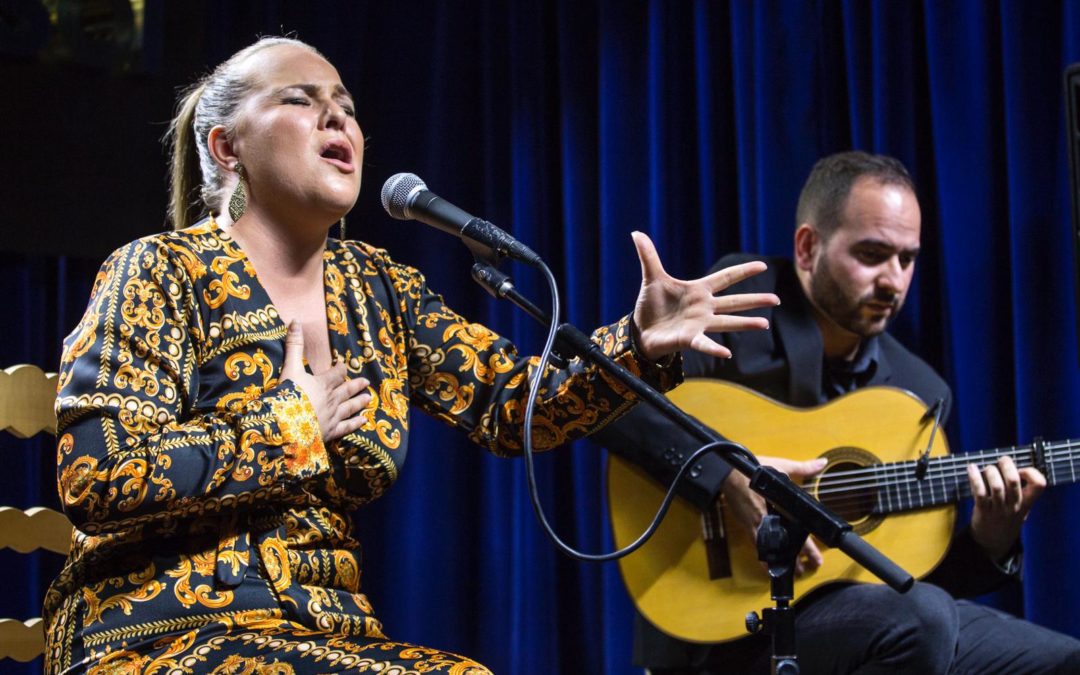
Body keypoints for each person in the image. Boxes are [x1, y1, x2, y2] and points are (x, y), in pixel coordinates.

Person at [42, 37, 780, 674]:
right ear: (225, 146)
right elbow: (96, 474)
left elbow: (516, 406)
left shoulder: (378, 289)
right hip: (152, 635)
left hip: (326, 635)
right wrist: (290, 425)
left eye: (348, 106)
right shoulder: (156, 272)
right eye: (301, 101)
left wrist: (637, 342)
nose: (338, 118)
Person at [595, 151, 1080, 674]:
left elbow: (913, 581)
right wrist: (727, 477)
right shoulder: (742, 310)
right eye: (872, 254)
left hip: (858, 617)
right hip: (721, 631)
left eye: (907, 258)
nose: (893, 281)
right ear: (807, 248)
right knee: (923, 621)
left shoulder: (918, 390)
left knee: (1062, 659)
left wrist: (992, 539)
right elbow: (610, 407)